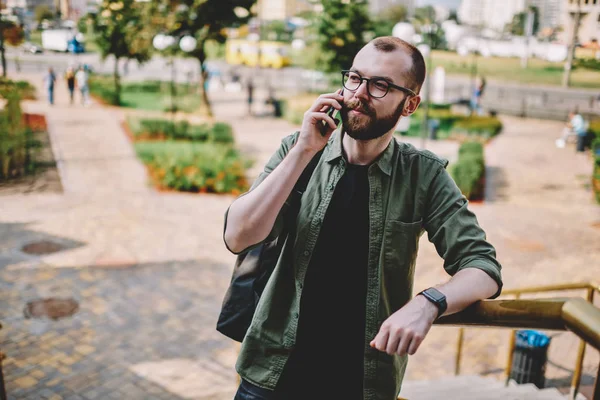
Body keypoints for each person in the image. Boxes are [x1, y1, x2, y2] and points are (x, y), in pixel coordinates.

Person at [223, 36, 502, 400]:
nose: (360, 93)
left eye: (381, 85)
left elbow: (483, 267)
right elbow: (237, 236)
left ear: (410, 104)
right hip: (272, 375)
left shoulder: (423, 175)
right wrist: (304, 151)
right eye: (355, 78)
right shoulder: (299, 148)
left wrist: (428, 303)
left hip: (361, 384)